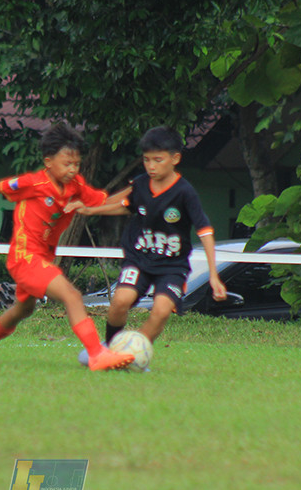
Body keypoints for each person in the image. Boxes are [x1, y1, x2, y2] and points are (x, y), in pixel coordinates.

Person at [0, 124, 136, 371]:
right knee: (72, 295)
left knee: (24, 308)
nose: (73, 169)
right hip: (25, 257)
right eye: (67, 163)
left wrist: (136, 188)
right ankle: (97, 354)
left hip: (42, 259)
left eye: (76, 164)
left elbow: (104, 202)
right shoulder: (33, 183)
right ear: (48, 162)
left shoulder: (75, 186)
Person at [75, 126, 227, 349]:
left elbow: (205, 231)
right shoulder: (140, 184)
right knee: (120, 301)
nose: (151, 166)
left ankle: (135, 351)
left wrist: (214, 276)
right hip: (139, 259)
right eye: (146, 160)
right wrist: (89, 209)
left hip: (172, 266)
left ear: (175, 158)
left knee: (161, 310)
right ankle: (108, 348)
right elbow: (124, 206)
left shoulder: (185, 192)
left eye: (158, 160)